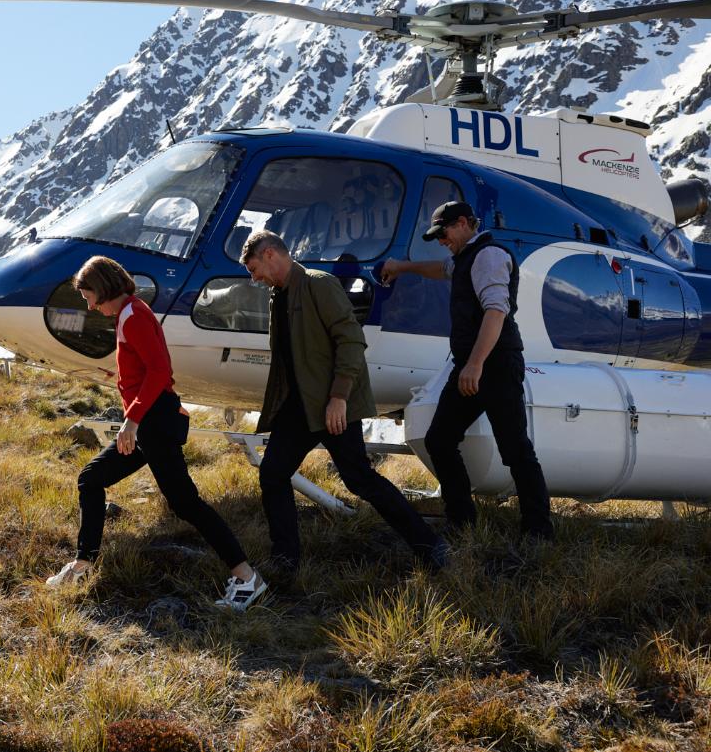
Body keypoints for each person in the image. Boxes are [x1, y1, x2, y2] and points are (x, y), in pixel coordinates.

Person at [46, 256, 267, 611]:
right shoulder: (129, 314)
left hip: (153, 423)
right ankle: (83, 564)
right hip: (148, 421)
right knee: (92, 478)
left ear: (104, 289)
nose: (89, 305)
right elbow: (145, 368)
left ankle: (247, 578)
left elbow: (160, 372)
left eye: (90, 297)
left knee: (185, 503)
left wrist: (131, 420)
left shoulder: (133, 316)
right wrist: (122, 382)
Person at [239, 231, 446, 580]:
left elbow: (351, 341)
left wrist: (338, 398)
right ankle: (285, 561)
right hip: (299, 406)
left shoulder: (320, 286)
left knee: (359, 480)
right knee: (273, 474)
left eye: (255, 268)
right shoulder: (279, 295)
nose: (254, 278)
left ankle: (430, 546)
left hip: (332, 405)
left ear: (271, 254)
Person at [381, 201, 554, 540]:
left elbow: (495, 312)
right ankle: (461, 521)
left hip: (496, 363)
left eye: (443, 233)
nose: (441, 241)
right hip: (469, 365)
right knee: (440, 440)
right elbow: (441, 269)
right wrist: (402, 267)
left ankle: (538, 530)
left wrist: (474, 364)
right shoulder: (465, 257)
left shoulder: (488, 256)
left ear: (462, 223)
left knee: (515, 448)